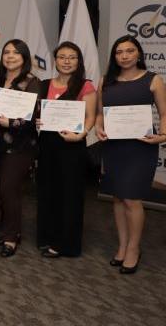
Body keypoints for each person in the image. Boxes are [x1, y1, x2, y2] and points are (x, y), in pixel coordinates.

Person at [95, 35, 166, 274]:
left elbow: (164, 114)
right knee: (117, 197)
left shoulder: (152, 80)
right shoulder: (105, 81)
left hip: (140, 147)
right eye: (119, 52)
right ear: (114, 56)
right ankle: (123, 245)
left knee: (132, 198)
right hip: (114, 146)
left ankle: (134, 248)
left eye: (129, 51)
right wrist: (98, 127)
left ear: (138, 54)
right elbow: (99, 114)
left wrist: (163, 135)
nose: (124, 56)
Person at [36, 42, 97, 258]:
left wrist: (82, 134)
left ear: (78, 61)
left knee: (69, 195)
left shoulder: (85, 86)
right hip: (48, 146)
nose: (67, 61)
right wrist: (38, 122)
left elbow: (90, 117)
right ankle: (47, 236)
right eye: (62, 57)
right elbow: (39, 114)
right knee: (48, 191)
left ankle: (67, 244)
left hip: (72, 146)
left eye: (72, 57)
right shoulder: (44, 84)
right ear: (55, 60)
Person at [0, 39, 41, 258]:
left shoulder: (32, 82)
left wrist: (10, 123)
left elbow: (33, 116)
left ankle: (11, 238)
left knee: (9, 190)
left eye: (16, 53)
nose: (10, 56)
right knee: (3, 189)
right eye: (6, 52)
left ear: (24, 57)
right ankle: (8, 230)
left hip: (21, 146)